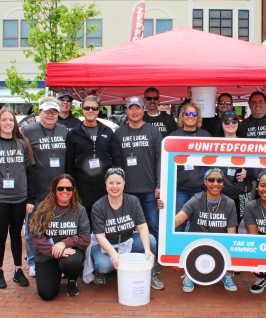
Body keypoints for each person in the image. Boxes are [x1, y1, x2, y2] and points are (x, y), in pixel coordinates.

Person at [0, 108, 36, 289]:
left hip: (19, 198)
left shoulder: (22, 143)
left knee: (17, 235)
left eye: (11, 120)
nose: (8, 123)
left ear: (15, 123)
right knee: (0, 235)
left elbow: (30, 173)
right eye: (4, 120)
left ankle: (18, 270)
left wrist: (30, 199)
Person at [90, 168, 164, 289]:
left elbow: (142, 226)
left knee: (151, 240)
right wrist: (113, 254)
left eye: (118, 183)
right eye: (111, 183)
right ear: (105, 184)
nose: (115, 187)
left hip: (127, 240)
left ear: (124, 184)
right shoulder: (98, 206)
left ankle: (151, 272)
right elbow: (100, 236)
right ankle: (100, 271)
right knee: (103, 266)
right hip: (105, 244)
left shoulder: (133, 201)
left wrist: (147, 250)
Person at [167, 168, 238, 292]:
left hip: (219, 247)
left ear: (223, 183)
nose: (215, 183)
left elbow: (231, 235)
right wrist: (164, 214)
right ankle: (190, 273)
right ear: (205, 182)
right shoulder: (197, 199)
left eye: (219, 180)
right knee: (176, 267)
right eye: (211, 180)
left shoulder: (230, 203)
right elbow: (178, 220)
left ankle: (225, 273)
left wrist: (232, 258)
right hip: (197, 245)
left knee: (236, 266)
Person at [22, 97, 69, 277]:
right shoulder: (27, 131)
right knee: (33, 228)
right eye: (47, 111)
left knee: (59, 228)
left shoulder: (64, 130)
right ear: (39, 112)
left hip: (60, 191)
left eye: (54, 112)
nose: (50, 115)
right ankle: (33, 261)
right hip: (37, 190)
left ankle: (58, 259)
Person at [114, 96, 162, 272]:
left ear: (143, 110)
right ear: (126, 111)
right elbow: (116, 162)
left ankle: (153, 260)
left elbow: (160, 159)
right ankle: (131, 258)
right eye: (131, 108)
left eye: (138, 108)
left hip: (149, 189)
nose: (134, 111)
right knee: (128, 227)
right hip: (127, 190)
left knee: (152, 225)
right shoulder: (118, 133)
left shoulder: (153, 132)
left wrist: (159, 184)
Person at [30, 174, 90, 300]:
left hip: (70, 251)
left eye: (69, 188)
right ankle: (55, 273)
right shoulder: (43, 209)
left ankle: (72, 280)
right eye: (60, 188)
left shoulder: (80, 210)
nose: (65, 191)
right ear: (54, 189)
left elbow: (85, 238)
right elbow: (37, 238)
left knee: (71, 262)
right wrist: (55, 251)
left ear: (73, 190)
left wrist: (64, 244)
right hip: (47, 253)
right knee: (46, 294)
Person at [65, 96, 123, 226]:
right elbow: (68, 163)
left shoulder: (107, 131)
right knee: (84, 222)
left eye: (94, 108)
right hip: (82, 185)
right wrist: (70, 185)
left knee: (103, 220)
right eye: (87, 108)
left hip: (103, 184)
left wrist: (119, 180)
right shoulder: (74, 133)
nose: (90, 110)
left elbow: (117, 157)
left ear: (98, 110)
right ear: (82, 110)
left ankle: (102, 246)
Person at [169, 103, 211, 231]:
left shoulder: (206, 136)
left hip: (200, 189)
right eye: (187, 113)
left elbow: (211, 162)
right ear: (182, 116)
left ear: (198, 117)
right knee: (178, 223)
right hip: (179, 189)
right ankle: (177, 250)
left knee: (200, 224)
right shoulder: (173, 136)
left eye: (194, 114)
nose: (190, 116)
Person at [218, 111, 256, 224]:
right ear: (221, 124)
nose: (231, 124)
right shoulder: (215, 143)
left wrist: (248, 172)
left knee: (237, 224)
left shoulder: (247, 143)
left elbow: (257, 168)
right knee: (221, 225)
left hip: (241, 194)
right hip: (220, 193)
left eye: (234, 121)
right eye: (226, 121)